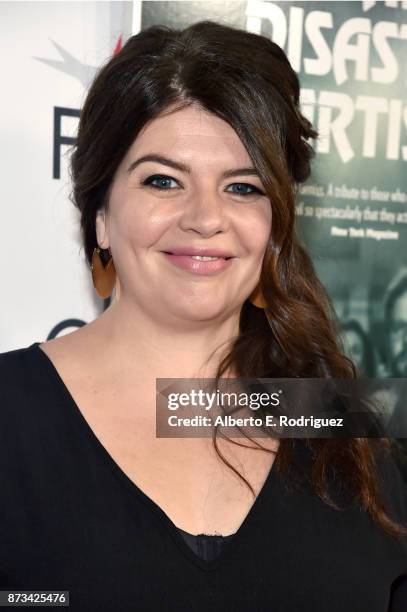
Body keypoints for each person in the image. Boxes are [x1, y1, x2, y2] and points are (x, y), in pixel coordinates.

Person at [0, 20, 406, 612]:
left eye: (242, 188)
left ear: (276, 225)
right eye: (163, 180)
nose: (205, 217)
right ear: (101, 215)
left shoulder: (347, 433)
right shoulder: (11, 416)